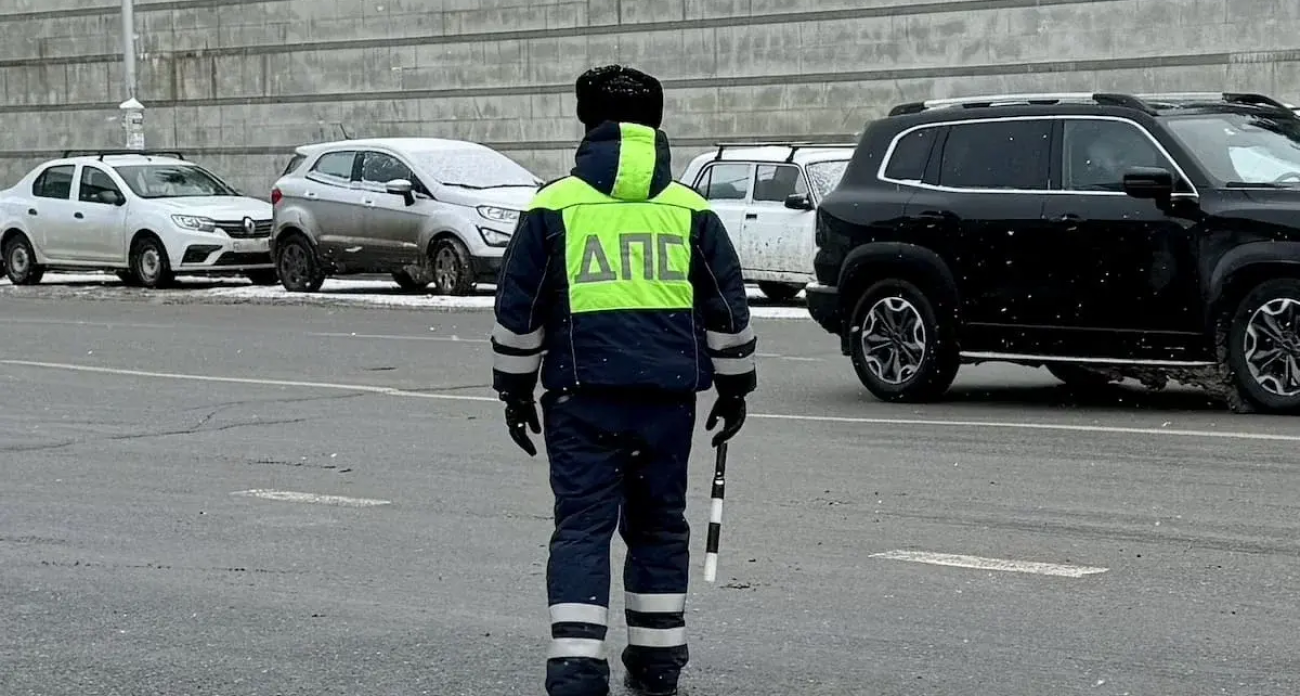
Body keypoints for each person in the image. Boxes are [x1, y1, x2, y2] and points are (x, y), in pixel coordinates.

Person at [490, 64, 757, 696]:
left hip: (580, 400)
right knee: (660, 527)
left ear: (588, 124)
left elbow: (518, 313)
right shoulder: (692, 211)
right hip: (667, 404)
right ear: (658, 125)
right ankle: (657, 664)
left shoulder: (553, 206)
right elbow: (727, 310)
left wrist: (513, 390)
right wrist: (735, 388)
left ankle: (578, 672)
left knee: (582, 527)